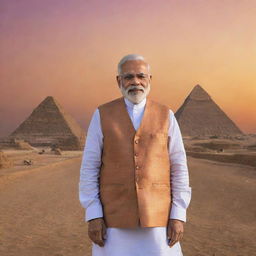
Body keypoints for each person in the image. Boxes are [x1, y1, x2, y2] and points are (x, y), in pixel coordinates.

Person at [79, 54, 192, 256]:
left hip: (159, 219)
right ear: (118, 81)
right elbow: (90, 166)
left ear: (150, 79)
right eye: (128, 77)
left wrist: (178, 215)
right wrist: (93, 214)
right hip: (113, 219)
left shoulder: (167, 115)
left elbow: (178, 166)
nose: (135, 82)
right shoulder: (102, 114)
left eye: (141, 76)